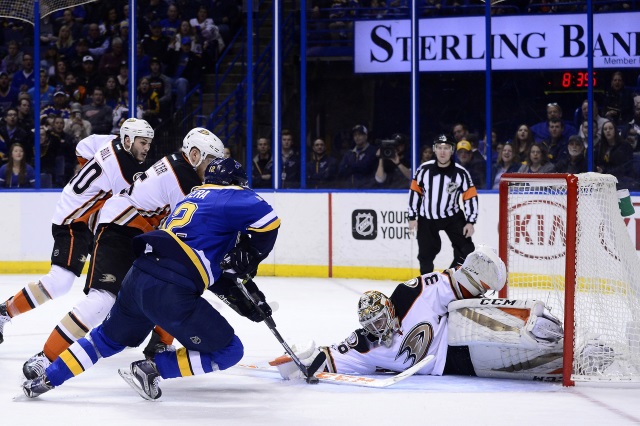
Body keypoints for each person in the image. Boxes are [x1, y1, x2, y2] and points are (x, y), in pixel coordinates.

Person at [23, 157, 280, 400]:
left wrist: (246, 298)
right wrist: (254, 253)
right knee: (230, 351)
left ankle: (47, 379)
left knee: (103, 341)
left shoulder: (192, 199)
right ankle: (154, 368)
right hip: (172, 288)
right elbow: (270, 220)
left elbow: (213, 268)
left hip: (139, 276)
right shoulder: (231, 195)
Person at [21, 127, 225, 380]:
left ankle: (159, 344)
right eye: (211, 161)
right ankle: (46, 357)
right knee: (102, 300)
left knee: (168, 284)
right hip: (118, 232)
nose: (214, 168)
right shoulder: (186, 178)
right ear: (194, 155)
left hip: (140, 236)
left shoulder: (180, 168)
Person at [273, 245, 564, 382]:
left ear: (389, 307)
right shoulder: (365, 344)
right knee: (530, 365)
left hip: (460, 329)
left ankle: (559, 333)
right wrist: (302, 363)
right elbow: (333, 356)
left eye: (381, 318)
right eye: (371, 324)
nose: (378, 327)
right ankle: (567, 359)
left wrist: (478, 273)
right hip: (455, 364)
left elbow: (457, 282)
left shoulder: (409, 294)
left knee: (535, 329)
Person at [0, 119, 154, 344]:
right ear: (128, 140)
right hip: (74, 221)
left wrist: (89, 175)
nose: (147, 148)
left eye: (149, 142)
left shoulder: (111, 142)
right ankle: (4, 312)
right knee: (61, 281)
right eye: (143, 142)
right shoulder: (125, 170)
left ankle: (113, 325)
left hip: (85, 218)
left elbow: (83, 145)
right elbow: (137, 204)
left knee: (119, 273)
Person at [408, 134, 478, 274]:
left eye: (446, 148)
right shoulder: (424, 169)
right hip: (427, 217)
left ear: (452, 151)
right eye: (439, 148)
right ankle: (428, 285)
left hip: (452, 216)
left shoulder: (461, 173)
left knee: (466, 249)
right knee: (425, 255)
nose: (442, 151)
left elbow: (470, 196)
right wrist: (412, 217)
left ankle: (449, 278)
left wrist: (470, 221)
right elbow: (415, 192)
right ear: (434, 150)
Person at [595, 120, 634, 189]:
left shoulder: (625, 146)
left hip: (622, 179)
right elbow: (600, 164)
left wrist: (607, 172)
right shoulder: (601, 147)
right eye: (605, 129)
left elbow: (626, 166)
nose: (608, 131)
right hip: (606, 179)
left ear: (615, 130)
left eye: (610, 128)